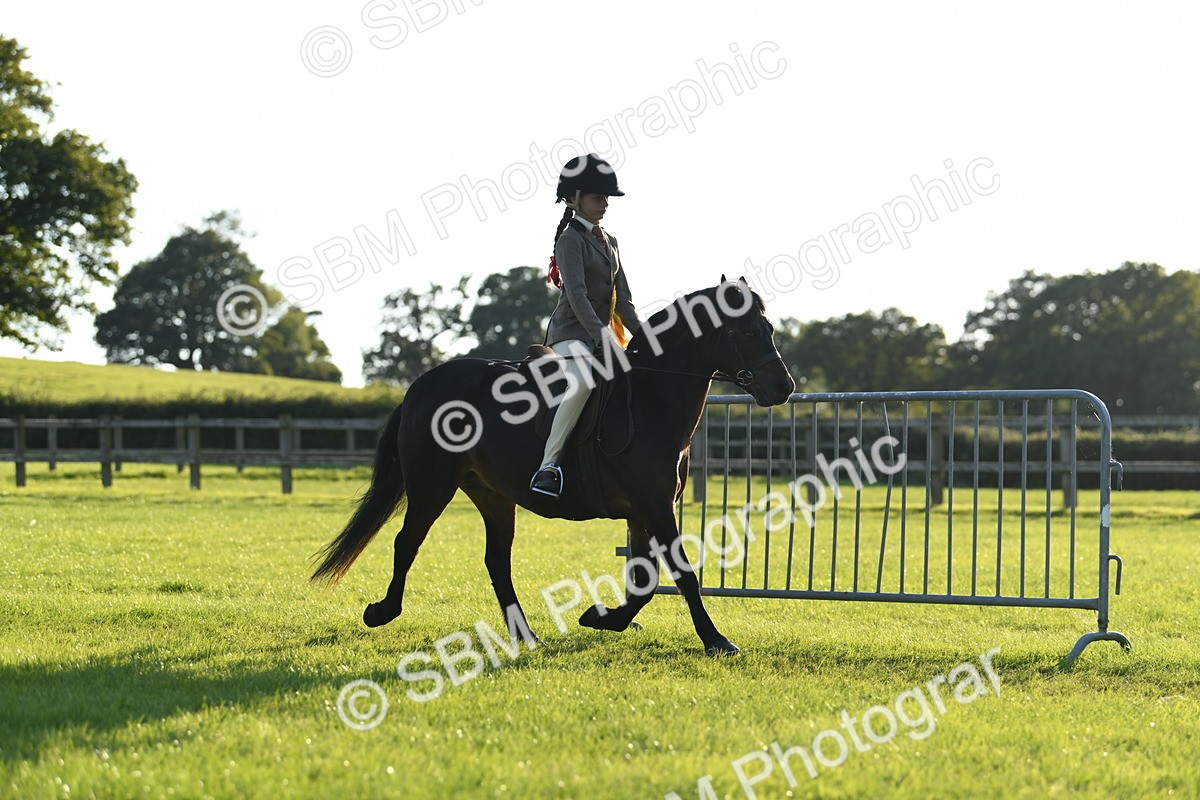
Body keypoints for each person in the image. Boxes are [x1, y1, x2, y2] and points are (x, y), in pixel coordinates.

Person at [530, 154, 641, 498]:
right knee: (581, 384)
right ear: (575, 198)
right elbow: (576, 297)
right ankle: (547, 467)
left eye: (607, 198)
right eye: (598, 198)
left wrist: (649, 339)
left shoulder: (611, 242)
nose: (605, 205)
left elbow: (624, 302)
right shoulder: (570, 240)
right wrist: (602, 337)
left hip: (601, 337)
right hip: (571, 336)